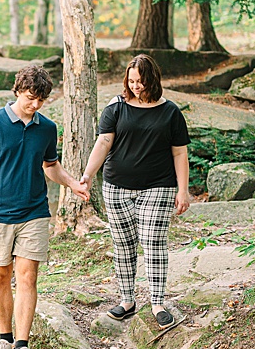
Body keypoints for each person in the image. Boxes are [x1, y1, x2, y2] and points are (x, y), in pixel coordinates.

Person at [0, 66, 89, 349]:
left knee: (28, 276)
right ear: (18, 90)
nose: (35, 105)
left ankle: (22, 347)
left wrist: (72, 183)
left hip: (34, 211)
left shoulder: (46, 128)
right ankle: (4, 340)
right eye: (31, 98)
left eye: (41, 100)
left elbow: (51, 167)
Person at [81, 54, 192, 329]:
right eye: (131, 81)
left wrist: (184, 190)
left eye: (140, 81)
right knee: (123, 245)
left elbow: (179, 154)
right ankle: (127, 300)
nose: (135, 86)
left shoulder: (170, 112)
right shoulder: (116, 107)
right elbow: (104, 142)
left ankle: (157, 302)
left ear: (152, 79)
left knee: (153, 243)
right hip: (116, 187)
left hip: (159, 186)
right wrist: (87, 175)